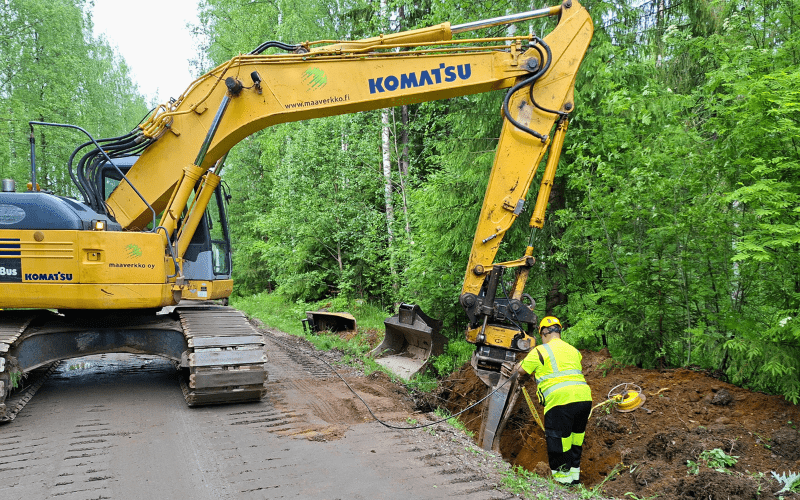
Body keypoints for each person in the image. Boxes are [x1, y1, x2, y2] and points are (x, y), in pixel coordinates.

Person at [509, 316, 592, 486]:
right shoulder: (574, 351)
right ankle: (574, 481)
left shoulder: (540, 351)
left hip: (559, 402)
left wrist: (515, 365)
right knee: (575, 441)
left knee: (557, 444)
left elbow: (521, 371)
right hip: (584, 399)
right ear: (559, 332)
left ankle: (562, 486)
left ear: (544, 333)